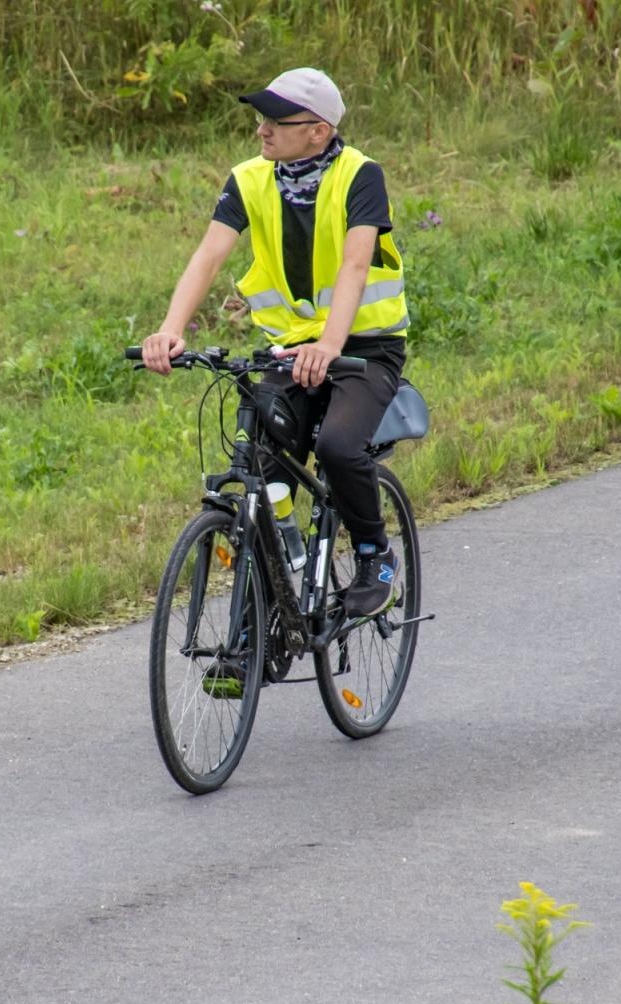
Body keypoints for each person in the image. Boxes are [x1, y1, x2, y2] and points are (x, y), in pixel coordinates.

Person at [140, 67, 410, 618]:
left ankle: (373, 555)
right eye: (260, 117)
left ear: (317, 130)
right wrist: (171, 329)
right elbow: (208, 255)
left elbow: (357, 264)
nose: (262, 130)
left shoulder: (360, 175)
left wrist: (330, 346)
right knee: (262, 463)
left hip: (365, 348)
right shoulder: (249, 179)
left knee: (336, 447)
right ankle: (264, 618)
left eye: (276, 120)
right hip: (290, 349)